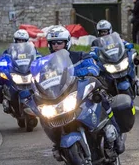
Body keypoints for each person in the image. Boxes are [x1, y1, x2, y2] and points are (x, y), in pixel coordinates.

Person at [44, 25, 125, 155]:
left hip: (80, 90)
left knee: (101, 97)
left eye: (59, 42)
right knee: (45, 115)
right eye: (53, 43)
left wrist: (89, 69)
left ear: (67, 42)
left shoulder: (79, 56)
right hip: (60, 96)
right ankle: (58, 143)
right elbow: (39, 79)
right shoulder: (47, 64)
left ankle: (117, 133)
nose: (56, 46)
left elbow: (92, 65)